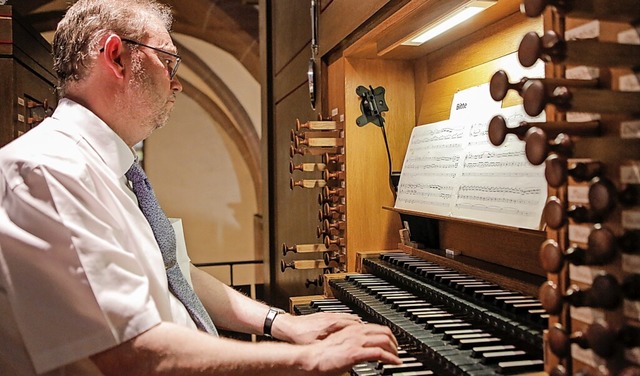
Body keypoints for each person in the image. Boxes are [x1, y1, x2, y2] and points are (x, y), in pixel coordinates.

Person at [0, 0, 401, 375]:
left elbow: (176, 273)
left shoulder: (108, 168)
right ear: (116, 56)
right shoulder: (47, 170)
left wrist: (280, 324)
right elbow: (133, 352)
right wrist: (309, 357)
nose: (177, 84)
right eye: (169, 62)